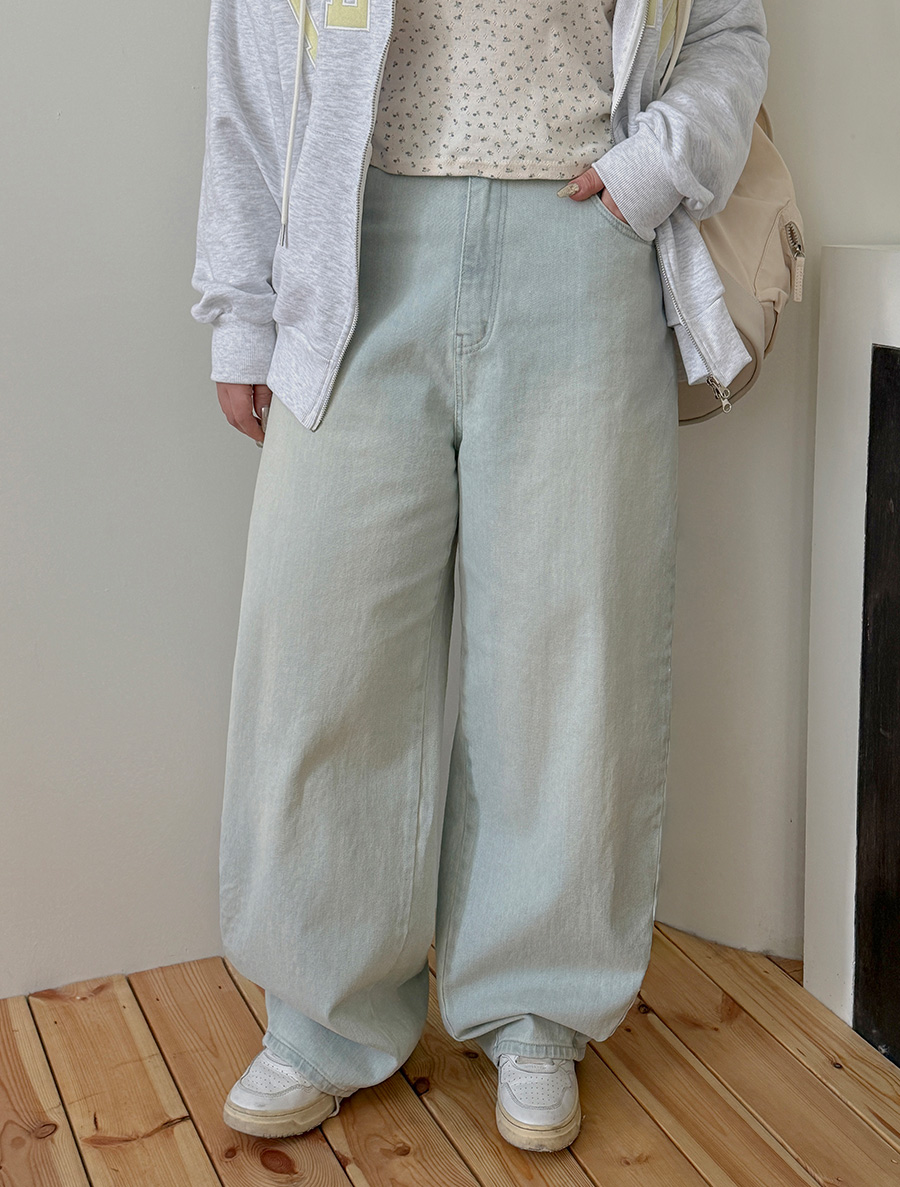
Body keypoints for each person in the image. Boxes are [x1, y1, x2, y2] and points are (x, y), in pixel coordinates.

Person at [191, 0, 769, 1154]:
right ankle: (319, 1013)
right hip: (354, 242)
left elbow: (727, 32)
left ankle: (537, 1005)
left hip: (582, 241)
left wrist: (651, 170)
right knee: (323, 648)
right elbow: (249, 61)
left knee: (570, 653)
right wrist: (242, 313)